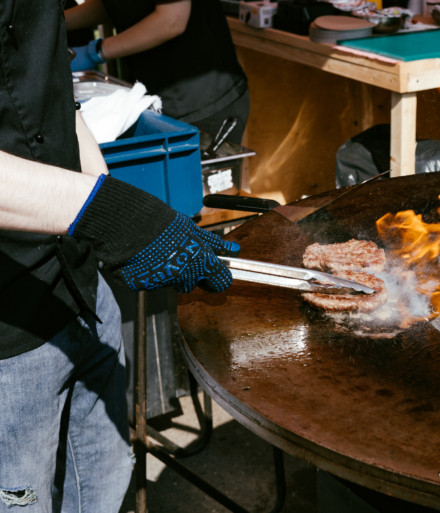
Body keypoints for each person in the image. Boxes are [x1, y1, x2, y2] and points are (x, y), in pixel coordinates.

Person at [0, 2, 238, 511]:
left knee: (105, 488)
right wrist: (116, 217)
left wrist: (113, 211)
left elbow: (52, 89)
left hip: (83, 289)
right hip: (9, 333)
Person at [65, 0, 250, 144]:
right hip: (157, 97)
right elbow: (113, 5)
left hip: (202, 103)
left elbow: (172, 19)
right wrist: (58, 22)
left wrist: (97, 52)